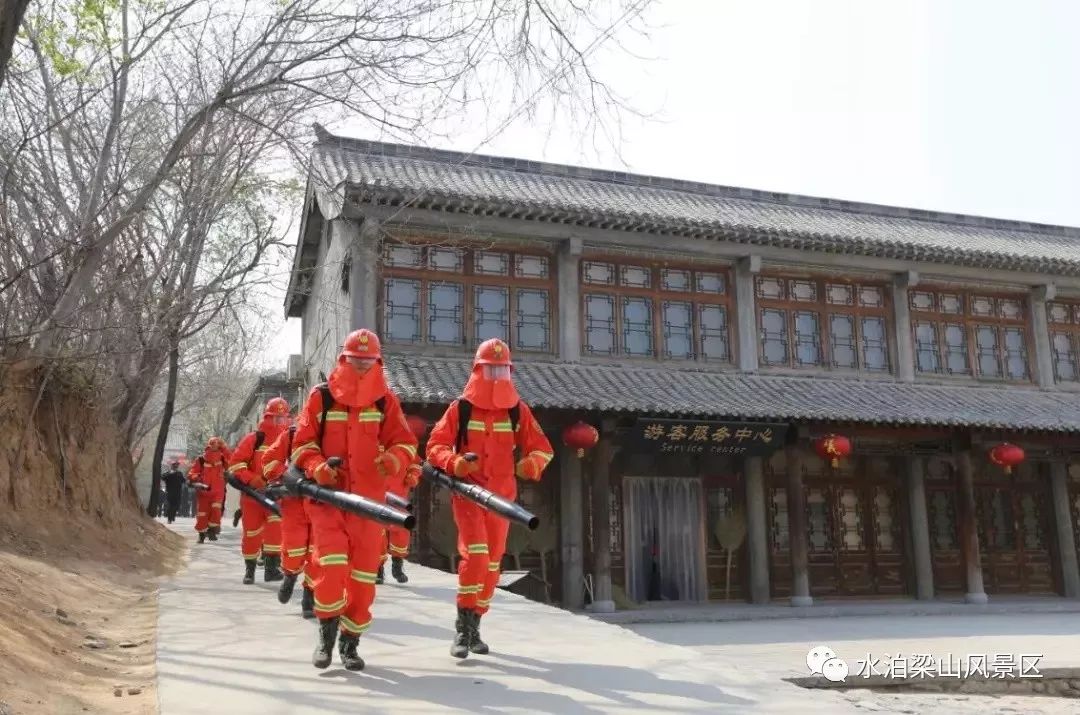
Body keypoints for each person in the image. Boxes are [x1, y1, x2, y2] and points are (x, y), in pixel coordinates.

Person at [290, 328, 418, 671]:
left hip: (368, 505)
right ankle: (326, 637)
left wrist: (394, 459)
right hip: (328, 501)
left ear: (378, 363)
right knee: (330, 567)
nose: (362, 368)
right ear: (343, 360)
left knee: (363, 580)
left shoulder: (385, 401)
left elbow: (405, 442)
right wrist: (317, 467)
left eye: (368, 362)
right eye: (355, 361)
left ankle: (350, 643)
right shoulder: (322, 397)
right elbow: (301, 443)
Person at [427, 338, 553, 659]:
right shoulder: (461, 408)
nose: (496, 375)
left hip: (502, 500)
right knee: (477, 557)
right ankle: (461, 629)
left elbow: (542, 448)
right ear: (477, 370)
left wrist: (531, 464)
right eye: (490, 369)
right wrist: (454, 462)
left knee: (493, 566)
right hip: (469, 495)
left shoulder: (517, 410)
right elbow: (435, 446)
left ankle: (475, 625)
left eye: (501, 369)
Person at [228, 398, 291, 585]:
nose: (280, 422)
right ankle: (250, 570)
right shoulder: (254, 439)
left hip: (276, 496)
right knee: (251, 534)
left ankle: (271, 570)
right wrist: (252, 479)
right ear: (267, 417)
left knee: (275, 532)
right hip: (252, 496)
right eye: (276, 418)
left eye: (283, 418)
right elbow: (236, 464)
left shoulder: (289, 440)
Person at [261, 419, 318, 618]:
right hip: (293, 500)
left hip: (321, 501)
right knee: (294, 544)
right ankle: (290, 575)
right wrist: (285, 476)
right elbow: (269, 460)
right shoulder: (291, 435)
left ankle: (309, 597)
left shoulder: (333, 435)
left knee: (317, 551)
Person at [378, 456, 421, 584]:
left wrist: (413, 475)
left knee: (401, 533)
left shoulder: (405, 445)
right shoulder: (375, 442)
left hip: (399, 497)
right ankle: (377, 569)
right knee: (377, 535)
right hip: (378, 495)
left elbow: (416, 463)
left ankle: (397, 564)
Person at [187, 437, 229, 542]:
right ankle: (201, 534)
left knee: (216, 511)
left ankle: (212, 530)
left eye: (217, 444)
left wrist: (225, 448)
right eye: (213, 444)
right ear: (209, 445)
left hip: (218, 491)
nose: (215, 446)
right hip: (203, 491)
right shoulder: (201, 459)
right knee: (202, 514)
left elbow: (232, 460)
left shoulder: (223, 458)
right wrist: (195, 479)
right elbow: (192, 472)